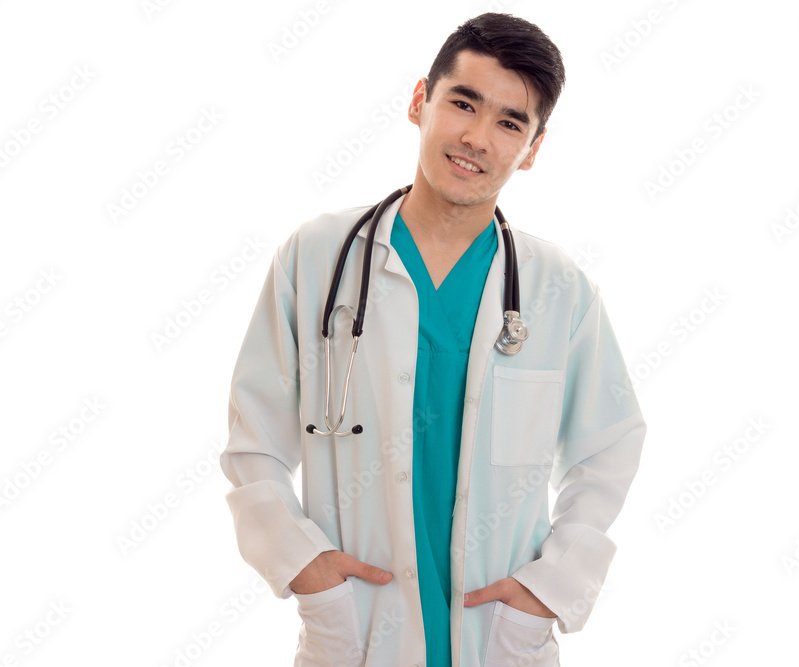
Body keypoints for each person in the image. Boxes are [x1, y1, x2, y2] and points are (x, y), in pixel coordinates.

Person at [219, 12, 646, 667]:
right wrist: (304, 566)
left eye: (510, 122)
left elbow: (610, 444)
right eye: (463, 103)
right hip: (355, 631)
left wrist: (550, 587)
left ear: (532, 150)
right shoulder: (317, 258)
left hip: (498, 637)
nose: (476, 137)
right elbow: (254, 440)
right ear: (420, 101)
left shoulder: (556, 287)